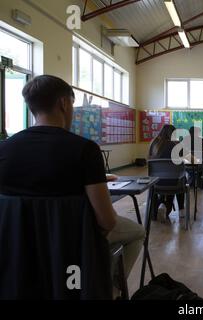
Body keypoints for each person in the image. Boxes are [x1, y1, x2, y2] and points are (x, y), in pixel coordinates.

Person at [0, 75, 144, 283]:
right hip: (72, 242)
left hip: (18, 248)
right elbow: (107, 221)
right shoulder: (85, 150)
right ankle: (110, 289)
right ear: (64, 103)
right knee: (137, 232)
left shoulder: (4, 149)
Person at [148, 124, 185, 220]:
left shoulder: (153, 144)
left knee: (167, 177)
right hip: (174, 183)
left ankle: (160, 206)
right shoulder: (177, 145)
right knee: (181, 177)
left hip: (155, 182)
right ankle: (181, 210)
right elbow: (185, 159)